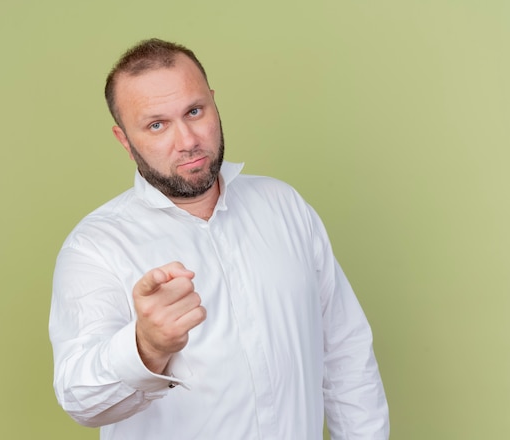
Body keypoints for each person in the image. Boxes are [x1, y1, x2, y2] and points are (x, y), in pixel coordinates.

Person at [49, 38, 389, 439]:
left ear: (213, 102)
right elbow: (80, 400)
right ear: (125, 140)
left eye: (194, 111)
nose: (188, 140)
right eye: (157, 125)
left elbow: (345, 352)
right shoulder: (96, 246)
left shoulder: (284, 206)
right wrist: (146, 347)